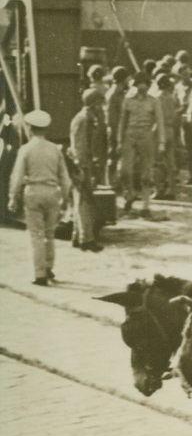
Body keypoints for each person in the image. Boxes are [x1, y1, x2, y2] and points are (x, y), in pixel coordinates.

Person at [9, 110, 72, 285]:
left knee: (36, 235)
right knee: (50, 234)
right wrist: (66, 199)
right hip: (52, 192)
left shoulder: (26, 149)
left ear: (30, 128)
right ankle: (49, 268)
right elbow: (64, 178)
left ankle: (40, 274)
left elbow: (17, 176)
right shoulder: (55, 150)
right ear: (45, 129)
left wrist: (13, 197)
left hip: (33, 192)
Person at [117, 72, 166, 217]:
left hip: (146, 136)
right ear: (135, 85)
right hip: (130, 135)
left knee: (146, 173)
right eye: (139, 83)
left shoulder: (153, 101)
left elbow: (160, 121)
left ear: (148, 85)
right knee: (125, 171)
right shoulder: (128, 100)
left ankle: (146, 205)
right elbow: (122, 122)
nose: (142, 86)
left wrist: (161, 141)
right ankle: (129, 194)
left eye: (144, 83)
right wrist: (119, 141)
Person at [69, 88, 108, 251]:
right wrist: (82, 167)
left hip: (84, 164)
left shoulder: (85, 117)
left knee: (81, 201)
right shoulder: (85, 119)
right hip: (82, 165)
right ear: (93, 103)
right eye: (99, 102)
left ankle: (78, 236)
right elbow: (80, 145)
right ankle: (86, 239)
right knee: (84, 202)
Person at [152, 72, 181, 199]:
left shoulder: (156, 97)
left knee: (157, 161)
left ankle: (158, 190)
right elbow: (175, 115)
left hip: (159, 130)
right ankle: (172, 190)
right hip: (170, 129)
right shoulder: (172, 97)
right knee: (170, 162)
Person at [104, 65, 131, 187]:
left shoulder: (121, 94)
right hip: (115, 132)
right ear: (122, 79)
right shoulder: (113, 95)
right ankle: (111, 183)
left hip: (122, 131)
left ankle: (118, 183)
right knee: (113, 157)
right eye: (126, 79)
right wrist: (117, 136)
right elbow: (112, 120)